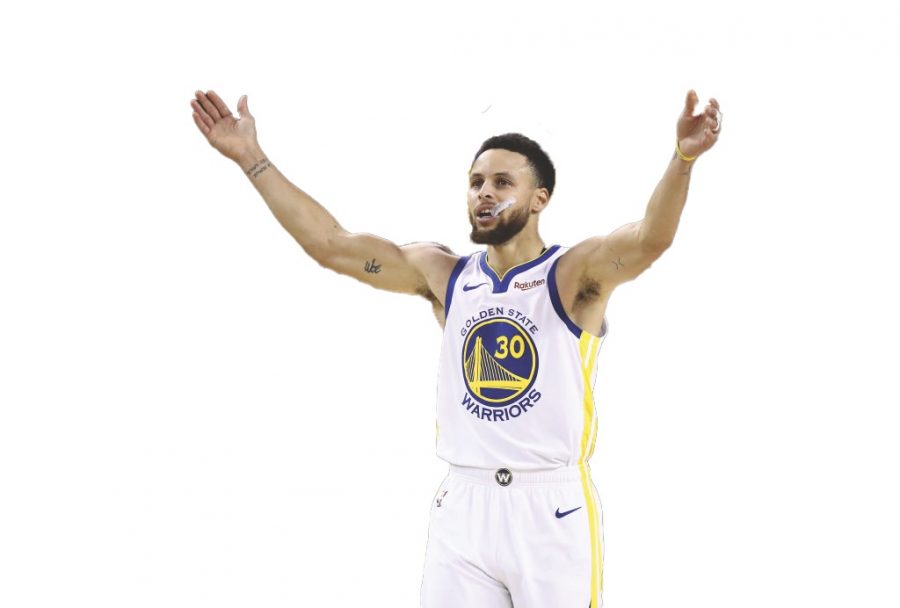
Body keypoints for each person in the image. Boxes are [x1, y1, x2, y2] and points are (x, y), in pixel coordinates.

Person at [190, 88, 721, 608]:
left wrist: (682, 159)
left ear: (540, 199)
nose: (483, 193)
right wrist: (250, 158)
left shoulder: (573, 274)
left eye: (501, 182)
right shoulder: (444, 274)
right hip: (463, 504)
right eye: (475, 182)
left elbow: (650, 238)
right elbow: (331, 245)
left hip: (550, 508)